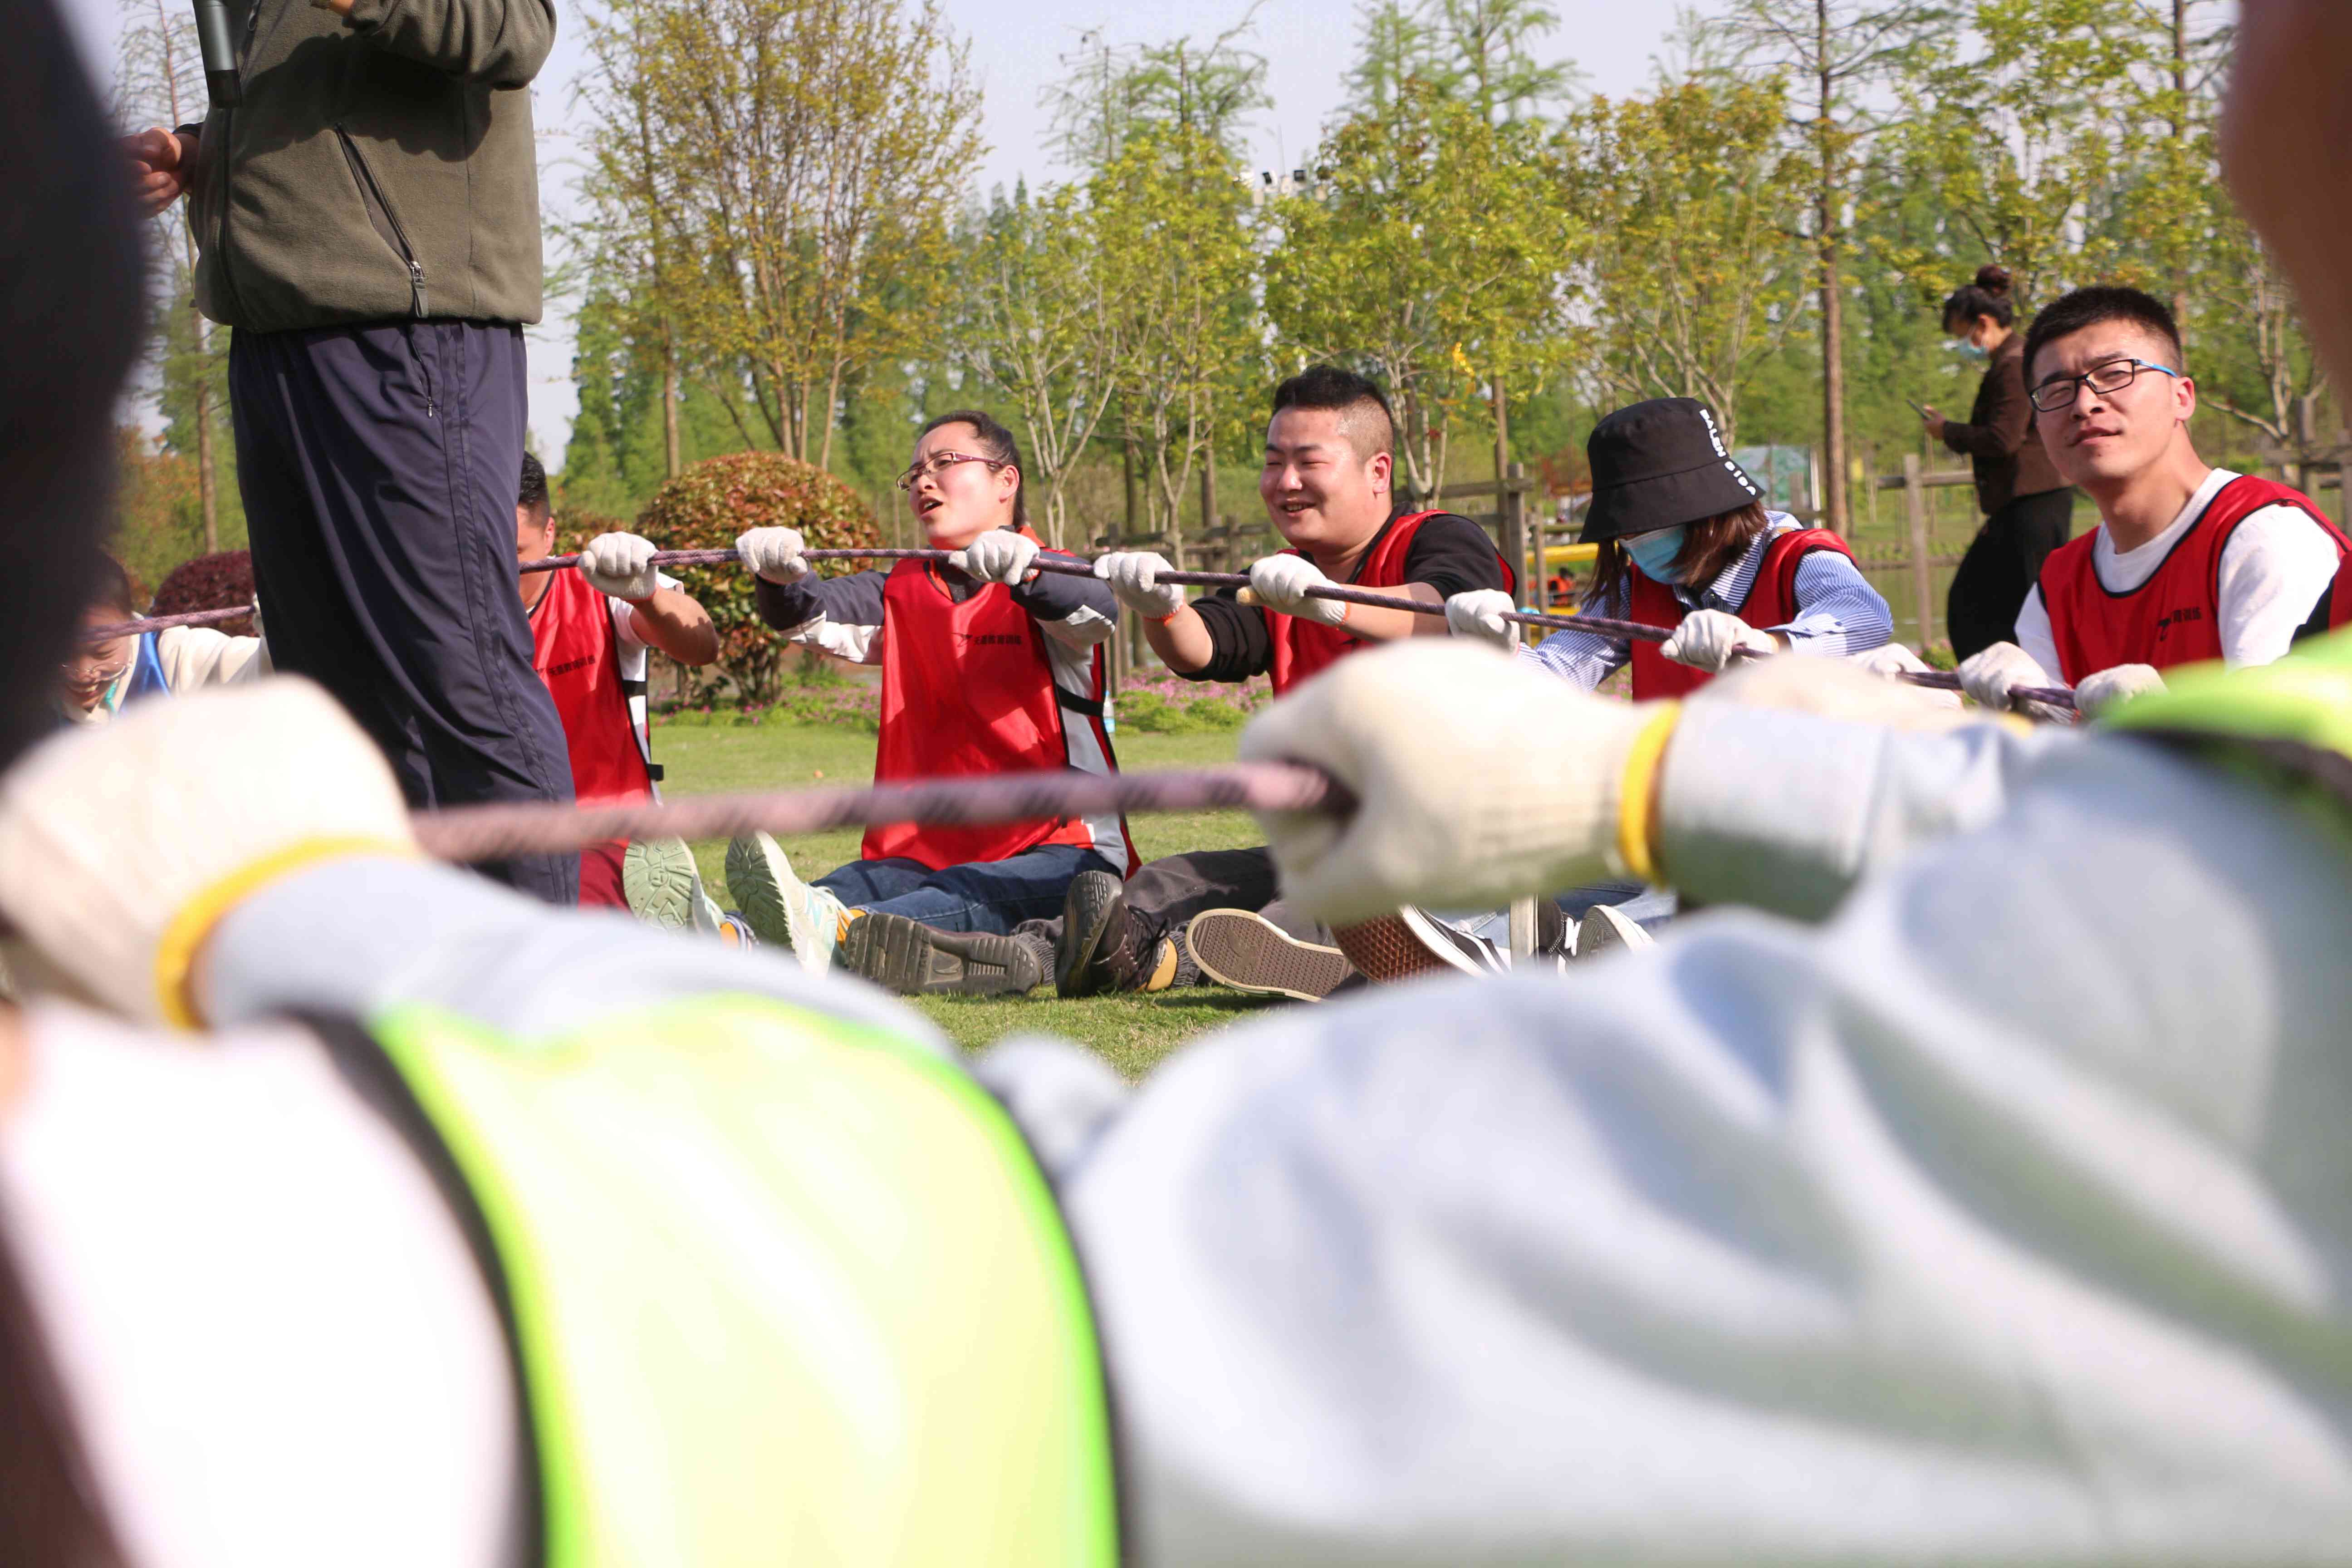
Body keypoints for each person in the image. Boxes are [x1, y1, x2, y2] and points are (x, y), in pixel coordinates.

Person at [10, 1, 2352, 1549]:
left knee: (1005, 919)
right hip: (1274, 847)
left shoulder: (2242, 828)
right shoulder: (2225, 855)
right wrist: (1679, 801)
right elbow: (2122, 828)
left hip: (1055, 868)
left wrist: (306, 906)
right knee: (927, 918)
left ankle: (1116, 926)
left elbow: (1054, 1314)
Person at [124, 0, 578, 907]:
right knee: (331, 706)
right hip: (273, 342)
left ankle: (534, 1004)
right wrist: (199, 155)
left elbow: (514, 32)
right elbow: (325, 129)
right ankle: (395, 980)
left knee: (462, 675)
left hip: (407, 336)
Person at [1047, 364, 1518, 1000]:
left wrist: (1327, 604)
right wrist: (1158, 607)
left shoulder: (1437, 539)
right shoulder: (1279, 578)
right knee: (1166, 883)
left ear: (1377, 472)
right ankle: (1076, 953)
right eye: (1273, 463)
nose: (1285, 483)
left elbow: (1445, 613)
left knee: (1307, 912)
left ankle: (1266, 961)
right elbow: (1201, 649)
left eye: (1307, 462)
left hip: (1448, 848)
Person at [730, 410, 1131, 995]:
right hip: (920, 851)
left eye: (945, 464)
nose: (924, 480)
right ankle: (722, 938)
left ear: (1006, 482)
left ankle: (818, 940)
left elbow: (1093, 610)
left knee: (942, 899)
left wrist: (1026, 571)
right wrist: (775, 577)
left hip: (1064, 852)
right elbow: (807, 613)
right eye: (915, 472)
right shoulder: (899, 588)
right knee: (839, 889)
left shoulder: (1054, 574)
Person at [1959, 284, 2352, 719]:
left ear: (2181, 397)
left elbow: (2287, 752)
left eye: (2113, 374)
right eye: (2056, 391)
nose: (2084, 404)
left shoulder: (2264, 536)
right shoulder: (2059, 581)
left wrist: (2162, 717)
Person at [1448, 397, 1895, 695]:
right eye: (1625, 531)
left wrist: (1765, 648)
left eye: (1648, 524)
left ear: (1708, 511)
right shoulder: (1634, 589)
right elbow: (1558, 675)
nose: (1634, 542)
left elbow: (1864, 618)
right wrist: (1499, 653)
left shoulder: (1798, 557)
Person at [511, 454, 737, 937]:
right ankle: (715, 934)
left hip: (611, 839)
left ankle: (716, 933)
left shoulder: (599, 586)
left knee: (562, 920)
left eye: (517, 550)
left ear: (550, 534)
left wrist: (646, 595)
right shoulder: (445, 611)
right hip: (498, 839)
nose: (500, 571)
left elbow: (702, 644)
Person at [1921, 264, 2080, 662]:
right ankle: (2008, 687)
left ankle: (2050, 694)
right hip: (2019, 502)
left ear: (1984, 323)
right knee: (1979, 603)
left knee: (2028, 608)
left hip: (2034, 501)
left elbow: (2002, 438)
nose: (1964, 344)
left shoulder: (2014, 364)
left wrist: (1948, 431)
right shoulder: (2012, 360)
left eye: (1963, 335)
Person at [59, 555, 268, 727]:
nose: (83, 675)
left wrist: (275, 628)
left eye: (102, 653)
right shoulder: (29, 691)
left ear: (130, 622)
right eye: (60, 655)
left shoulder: (172, 656)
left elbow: (257, 670)